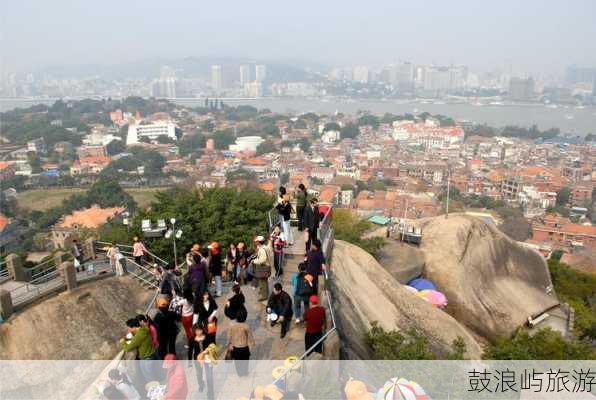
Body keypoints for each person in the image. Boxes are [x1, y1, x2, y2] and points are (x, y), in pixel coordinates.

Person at [120, 317, 158, 382]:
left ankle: (155, 387)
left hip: (147, 357)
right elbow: (136, 337)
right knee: (149, 373)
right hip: (151, 353)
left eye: (129, 328)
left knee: (149, 376)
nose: (129, 330)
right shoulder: (144, 328)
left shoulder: (139, 335)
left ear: (133, 327)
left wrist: (122, 342)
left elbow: (128, 348)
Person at [227, 307, 254, 376]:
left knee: (237, 362)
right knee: (245, 362)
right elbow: (250, 337)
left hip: (235, 347)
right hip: (244, 347)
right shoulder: (246, 326)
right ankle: (245, 372)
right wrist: (252, 344)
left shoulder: (232, 326)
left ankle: (239, 373)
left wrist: (229, 345)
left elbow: (229, 336)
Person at [188, 323, 208, 393]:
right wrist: (189, 362)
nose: (198, 332)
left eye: (199, 330)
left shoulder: (206, 337)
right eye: (196, 331)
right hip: (197, 359)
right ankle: (201, 385)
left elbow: (210, 346)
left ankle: (208, 383)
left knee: (207, 372)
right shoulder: (192, 339)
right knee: (199, 373)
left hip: (206, 357)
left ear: (202, 330)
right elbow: (190, 351)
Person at [252, 236, 272, 301]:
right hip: (266, 266)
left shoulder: (262, 249)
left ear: (259, 242)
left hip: (263, 267)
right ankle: (264, 292)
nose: (255, 242)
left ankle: (264, 296)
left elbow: (262, 259)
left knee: (262, 282)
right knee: (264, 281)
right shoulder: (265, 247)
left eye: (256, 241)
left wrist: (254, 261)